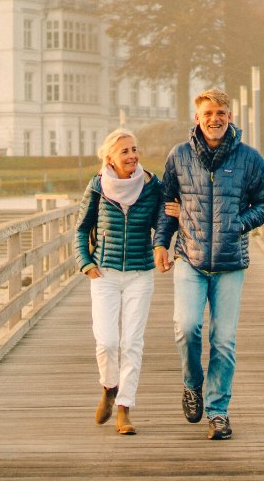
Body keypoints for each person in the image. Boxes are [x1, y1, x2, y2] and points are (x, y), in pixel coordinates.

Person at [155, 88, 264, 440]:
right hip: (189, 259)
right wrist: (161, 242)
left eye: (221, 113)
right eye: (208, 113)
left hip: (230, 262)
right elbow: (167, 202)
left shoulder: (250, 159)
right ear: (197, 118)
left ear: (229, 116)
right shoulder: (179, 156)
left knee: (223, 340)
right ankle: (192, 384)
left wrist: (240, 223)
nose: (214, 119)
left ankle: (218, 412)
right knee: (186, 327)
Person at [76, 129, 167, 435]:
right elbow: (81, 229)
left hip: (140, 274)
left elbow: (163, 223)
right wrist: (85, 263)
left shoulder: (152, 186)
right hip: (104, 274)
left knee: (131, 343)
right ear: (110, 158)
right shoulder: (98, 187)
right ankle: (109, 386)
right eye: (125, 151)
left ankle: (124, 408)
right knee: (107, 341)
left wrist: (166, 234)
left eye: (134, 149)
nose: (132, 156)